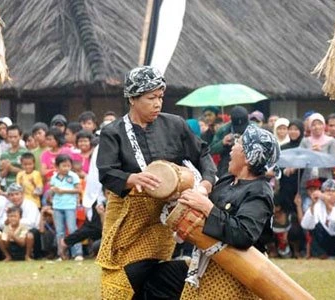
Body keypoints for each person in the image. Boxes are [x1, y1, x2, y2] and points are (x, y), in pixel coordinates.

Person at [96, 66, 217, 299]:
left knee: (140, 270)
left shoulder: (175, 125)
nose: (157, 103)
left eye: (160, 97)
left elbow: (202, 154)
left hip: (162, 216)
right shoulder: (114, 132)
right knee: (120, 274)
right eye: (151, 98)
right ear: (132, 98)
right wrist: (132, 178)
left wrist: (205, 185)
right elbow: (106, 172)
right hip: (126, 216)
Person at [178, 124, 278, 299]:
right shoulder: (228, 180)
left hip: (236, 274)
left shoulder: (259, 192)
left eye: (238, 144)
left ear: (248, 156)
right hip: (209, 265)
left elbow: (244, 234)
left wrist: (208, 208)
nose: (232, 148)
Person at [300, 179, 335, 258]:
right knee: (315, 228)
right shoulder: (317, 204)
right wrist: (313, 204)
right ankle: (321, 254)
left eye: (333, 191)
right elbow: (305, 225)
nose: (330, 193)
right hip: (323, 240)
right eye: (327, 191)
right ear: (322, 193)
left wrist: (328, 203)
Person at [49, 154, 83, 260]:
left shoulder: (73, 176)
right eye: (64, 166)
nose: (66, 168)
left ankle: (77, 253)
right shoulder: (54, 177)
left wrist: (63, 191)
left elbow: (78, 189)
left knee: (72, 229)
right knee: (60, 231)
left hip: (70, 206)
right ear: (57, 166)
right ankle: (62, 254)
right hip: (57, 206)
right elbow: (52, 191)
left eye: (68, 166)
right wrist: (52, 193)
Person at [210, 105, 253, 177]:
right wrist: (222, 143)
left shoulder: (254, 128)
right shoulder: (223, 130)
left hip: (249, 163)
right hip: (227, 164)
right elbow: (211, 149)